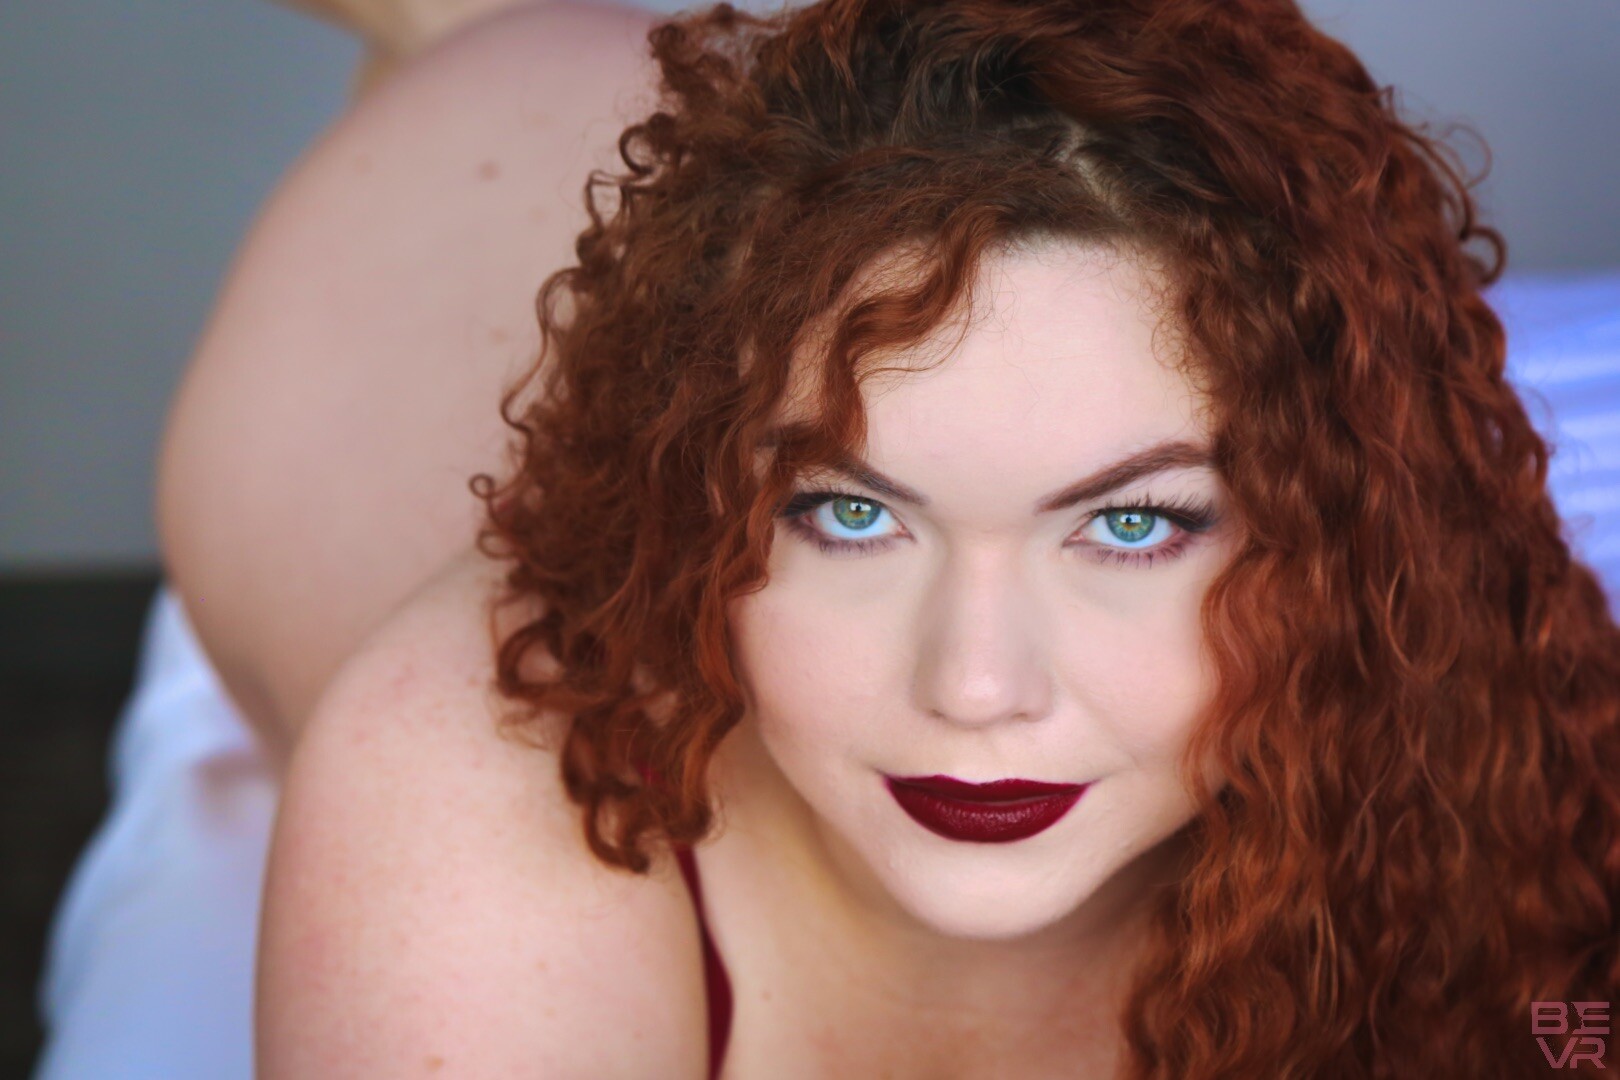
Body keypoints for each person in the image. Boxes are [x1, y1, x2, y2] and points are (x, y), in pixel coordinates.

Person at [42, 0, 1620, 1077]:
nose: (977, 688)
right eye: (847, 512)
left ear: (1341, 539)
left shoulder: (1474, 725)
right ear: (699, 504)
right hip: (422, 257)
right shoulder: (478, 772)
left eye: (1134, 523)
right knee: (477, 43)